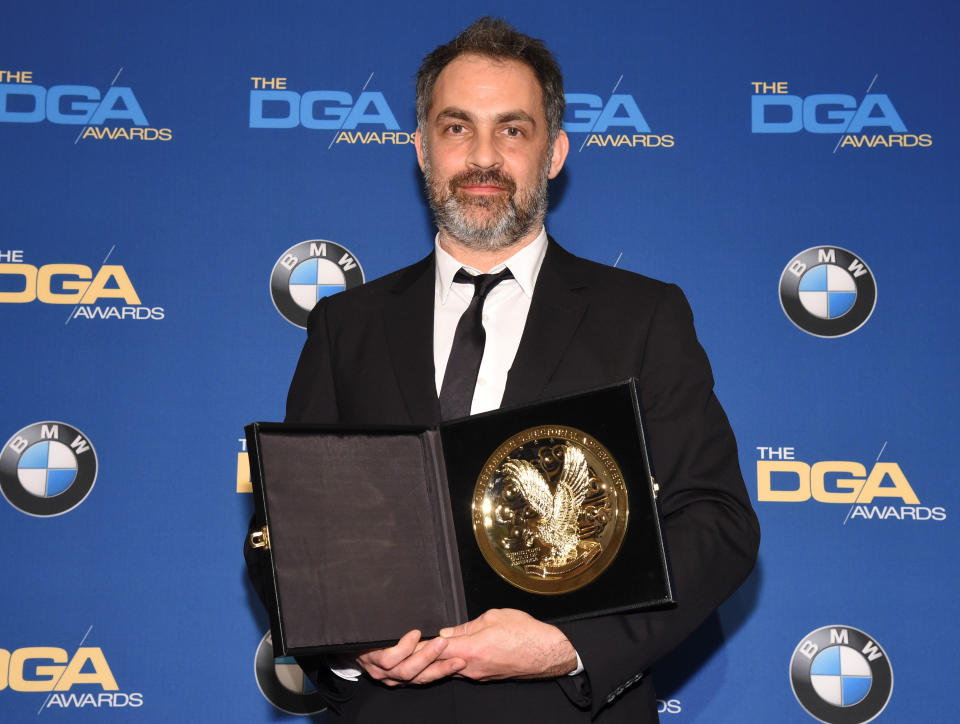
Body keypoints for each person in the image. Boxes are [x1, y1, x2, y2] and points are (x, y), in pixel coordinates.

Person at [246, 17, 759, 723]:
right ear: (422, 149)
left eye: (513, 130)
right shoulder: (347, 326)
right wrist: (346, 644)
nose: (483, 157)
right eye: (458, 128)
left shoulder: (641, 316)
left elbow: (717, 522)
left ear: (555, 153)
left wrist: (566, 643)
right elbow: (288, 527)